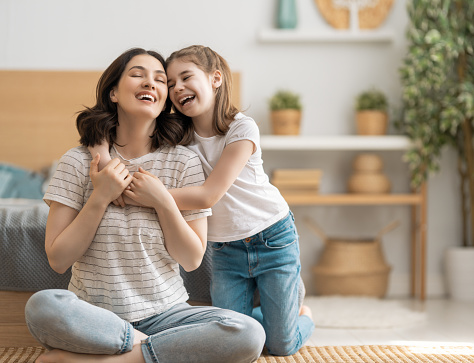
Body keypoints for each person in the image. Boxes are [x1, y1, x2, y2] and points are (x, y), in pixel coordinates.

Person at [24, 47, 265, 363]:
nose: (150, 83)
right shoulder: (78, 161)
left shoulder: (183, 162)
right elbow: (58, 259)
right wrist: (100, 196)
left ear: (166, 99)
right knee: (42, 307)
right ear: (113, 92)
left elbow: (191, 258)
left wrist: (164, 202)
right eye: (137, 74)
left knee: (247, 333)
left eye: (160, 80)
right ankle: (156, 348)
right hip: (93, 314)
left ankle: (118, 357)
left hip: (166, 313)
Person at [90, 45, 314, 356]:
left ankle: (301, 313)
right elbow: (102, 124)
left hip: (272, 237)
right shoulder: (178, 134)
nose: (177, 87)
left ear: (215, 79)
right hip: (226, 250)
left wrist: (154, 197)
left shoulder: (241, 128)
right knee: (234, 331)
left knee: (281, 345)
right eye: (170, 84)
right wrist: (101, 156)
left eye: (186, 77)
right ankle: (276, 309)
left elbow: (209, 194)